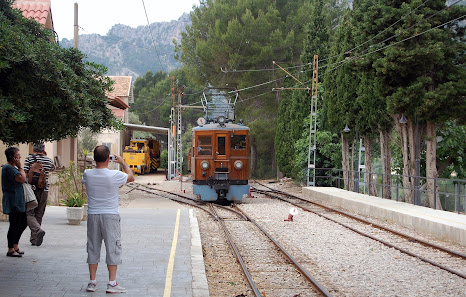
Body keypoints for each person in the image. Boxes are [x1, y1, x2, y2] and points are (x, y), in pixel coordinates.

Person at [82, 145, 134, 293]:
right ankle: (112, 283)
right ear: (108, 159)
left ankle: (92, 282)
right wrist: (123, 163)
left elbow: (90, 177)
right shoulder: (114, 175)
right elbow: (131, 177)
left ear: (94, 158)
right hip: (110, 216)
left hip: (92, 215)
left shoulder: (87, 174)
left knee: (93, 247)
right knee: (113, 247)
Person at [23, 143, 55, 246]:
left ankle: (37, 232)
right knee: (39, 214)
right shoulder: (48, 160)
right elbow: (53, 168)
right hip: (43, 190)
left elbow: (24, 172)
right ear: (43, 149)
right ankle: (35, 239)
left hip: (30, 190)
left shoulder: (29, 158)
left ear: (33, 148)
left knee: (28, 212)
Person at [2, 147, 27, 257]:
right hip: (13, 201)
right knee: (14, 224)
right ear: (12, 157)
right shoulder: (8, 168)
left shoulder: (13, 168)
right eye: (18, 155)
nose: (20, 157)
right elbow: (22, 179)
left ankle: (15, 245)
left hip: (19, 200)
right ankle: (10, 249)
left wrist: (20, 169)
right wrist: (21, 167)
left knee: (23, 223)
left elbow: (24, 178)